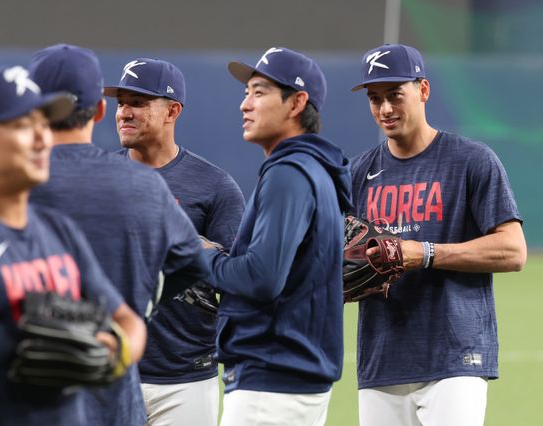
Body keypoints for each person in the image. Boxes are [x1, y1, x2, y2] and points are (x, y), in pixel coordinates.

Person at [0, 65, 147, 426]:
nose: (42, 138)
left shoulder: (60, 230)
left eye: (44, 124)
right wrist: (41, 343)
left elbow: (128, 321)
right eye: (22, 125)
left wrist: (114, 352)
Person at [27, 44, 210, 426]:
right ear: (98, 110)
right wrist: (138, 304)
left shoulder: (9, 187)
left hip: (31, 396)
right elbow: (194, 263)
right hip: (115, 388)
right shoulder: (144, 185)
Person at [349, 43, 528, 426]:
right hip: (381, 361)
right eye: (375, 98)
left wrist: (425, 253)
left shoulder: (471, 161)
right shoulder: (358, 173)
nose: (385, 109)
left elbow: (513, 251)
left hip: (455, 357)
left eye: (395, 94)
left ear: (423, 90)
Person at [203, 47, 352, 425]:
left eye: (259, 92)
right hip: (294, 376)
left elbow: (262, 278)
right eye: (246, 92)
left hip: (271, 382)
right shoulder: (316, 170)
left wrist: (200, 256)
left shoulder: (289, 173)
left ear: (297, 103)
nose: (245, 104)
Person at [103, 58, 245, 426]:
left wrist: (198, 257)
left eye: (138, 103)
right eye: (121, 103)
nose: (124, 112)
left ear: (172, 111)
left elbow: (239, 279)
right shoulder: (100, 180)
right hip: (111, 371)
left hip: (186, 379)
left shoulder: (214, 186)